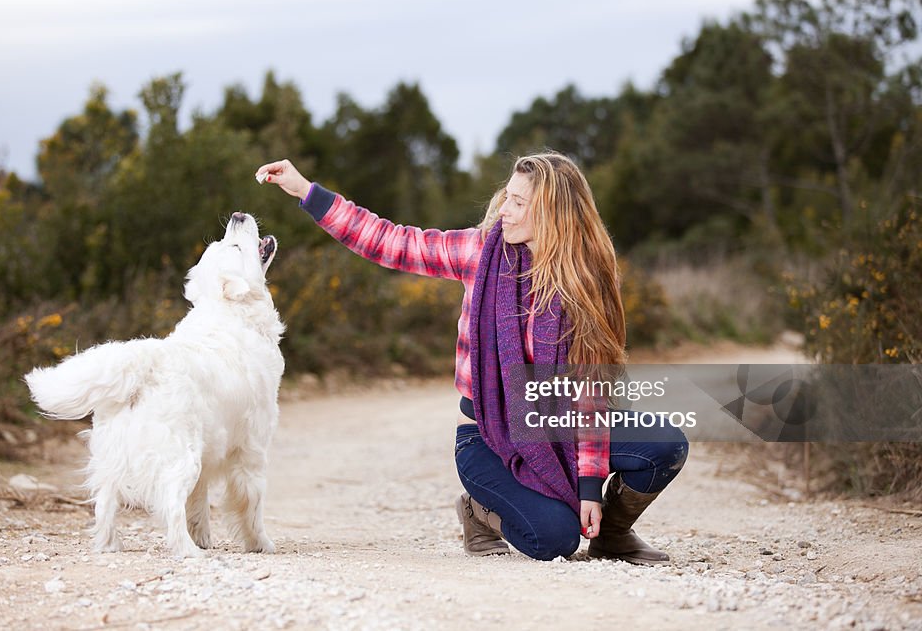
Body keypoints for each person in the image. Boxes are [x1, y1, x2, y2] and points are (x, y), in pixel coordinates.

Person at [255, 152, 689, 563]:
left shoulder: (587, 278)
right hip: (487, 436)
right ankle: (479, 511)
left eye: (519, 202)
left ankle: (610, 534)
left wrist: (592, 486)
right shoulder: (481, 253)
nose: (505, 210)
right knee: (553, 539)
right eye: (507, 197)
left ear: (554, 214)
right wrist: (305, 191)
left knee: (664, 444)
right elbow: (391, 241)